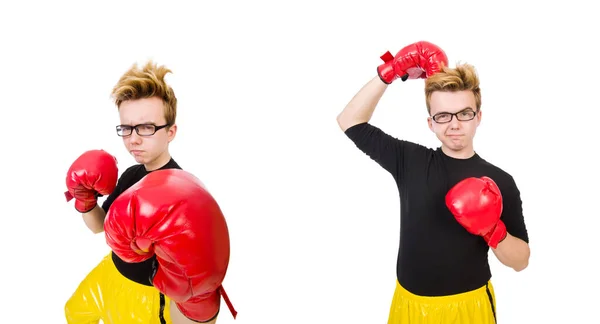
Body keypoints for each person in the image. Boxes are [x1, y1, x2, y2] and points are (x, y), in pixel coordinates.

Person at [336, 41, 530, 323]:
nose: (454, 124)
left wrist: (492, 230)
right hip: (409, 304)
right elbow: (349, 120)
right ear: (431, 123)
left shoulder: (499, 181)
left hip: (469, 306)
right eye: (443, 116)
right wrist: (389, 72)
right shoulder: (409, 160)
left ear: (478, 117)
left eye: (464, 113)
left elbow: (521, 261)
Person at [64, 61, 236, 323]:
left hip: (147, 298)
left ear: (171, 132)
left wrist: (196, 303)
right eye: (127, 128)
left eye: (146, 128)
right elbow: (101, 227)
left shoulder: (184, 195)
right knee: (74, 312)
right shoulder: (132, 174)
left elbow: (193, 287)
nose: (133, 139)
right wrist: (85, 198)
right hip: (110, 271)